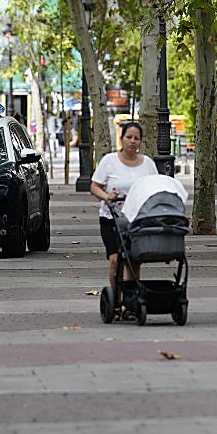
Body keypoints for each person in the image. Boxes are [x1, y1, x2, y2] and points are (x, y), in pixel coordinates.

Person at [90, 121, 158, 304]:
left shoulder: (148, 164)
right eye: (129, 137)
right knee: (115, 260)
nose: (132, 141)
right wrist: (106, 196)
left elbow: (154, 187)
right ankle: (116, 300)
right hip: (111, 218)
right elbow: (94, 186)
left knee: (133, 261)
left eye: (136, 138)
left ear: (141, 142)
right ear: (121, 139)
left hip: (137, 220)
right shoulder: (109, 161)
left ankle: (130, 302)